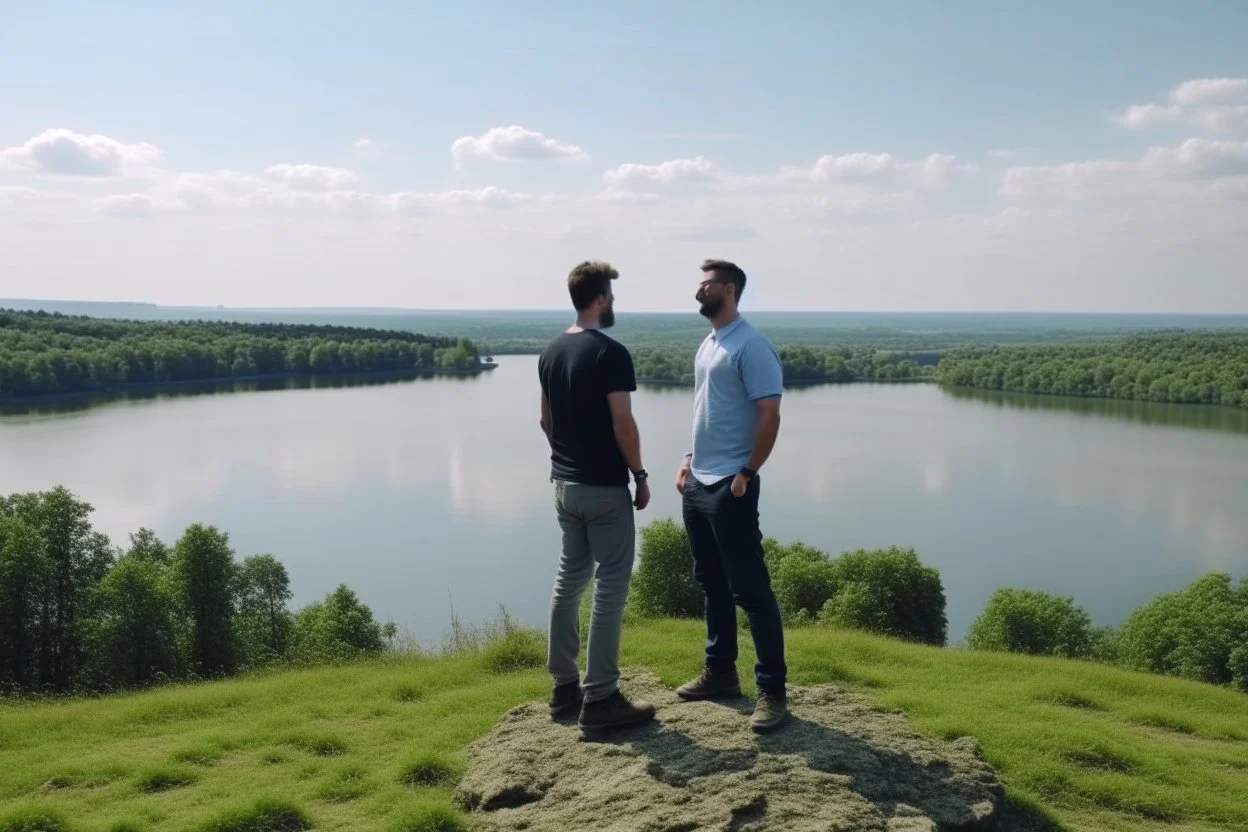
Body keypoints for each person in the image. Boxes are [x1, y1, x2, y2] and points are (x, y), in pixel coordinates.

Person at [538, 260, 656, 735]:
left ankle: (565, 688)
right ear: (602, 299)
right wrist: (640, 474)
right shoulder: (611, 353)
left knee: (569, 582)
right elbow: (622, 423)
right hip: (605, 490)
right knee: (609, 589)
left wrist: (569, 459)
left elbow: (545, 422)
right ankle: (601, 698)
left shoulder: (549, 352)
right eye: (613, 296)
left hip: (564, 487)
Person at [674, 258, 788, 732]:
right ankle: (720, 673)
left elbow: (770, 415)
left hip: (731, 484)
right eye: (699, 283)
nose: (700, 290)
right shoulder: (709, 342)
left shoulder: (751, 345)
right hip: (698, 480)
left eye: (708, 284)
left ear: (731, 290)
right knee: (711, 582)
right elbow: (708, 410)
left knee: (751, 591)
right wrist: (686, 459)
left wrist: (748, 471)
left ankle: (773, 692)